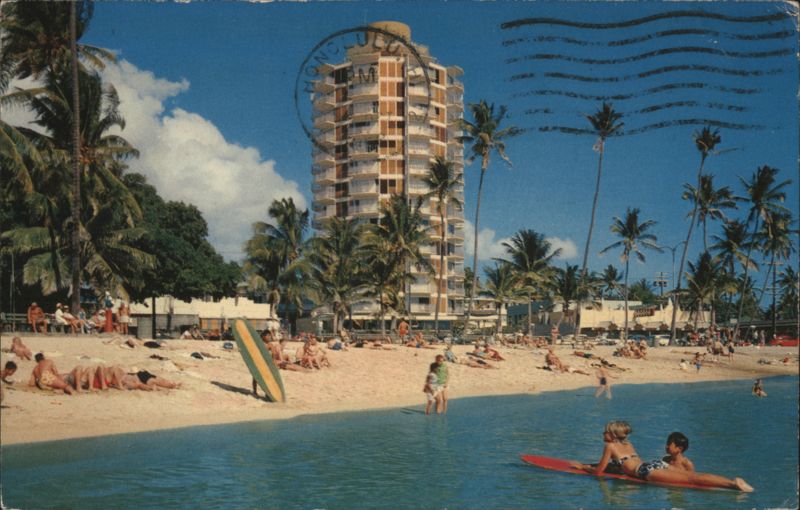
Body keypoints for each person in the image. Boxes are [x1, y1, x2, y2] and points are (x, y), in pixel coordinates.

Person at [572, 421, 753, 491]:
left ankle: (733, 485)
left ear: (612, 435)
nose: (603, 434)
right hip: (654, 464)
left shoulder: (610, 446)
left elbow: (599, 472)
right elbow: (624, 463)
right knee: (693, 476)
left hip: (645, 471)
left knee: (691, 480)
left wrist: (583, 467)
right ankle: (731, 481)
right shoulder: (628, 444)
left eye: (605, 431)